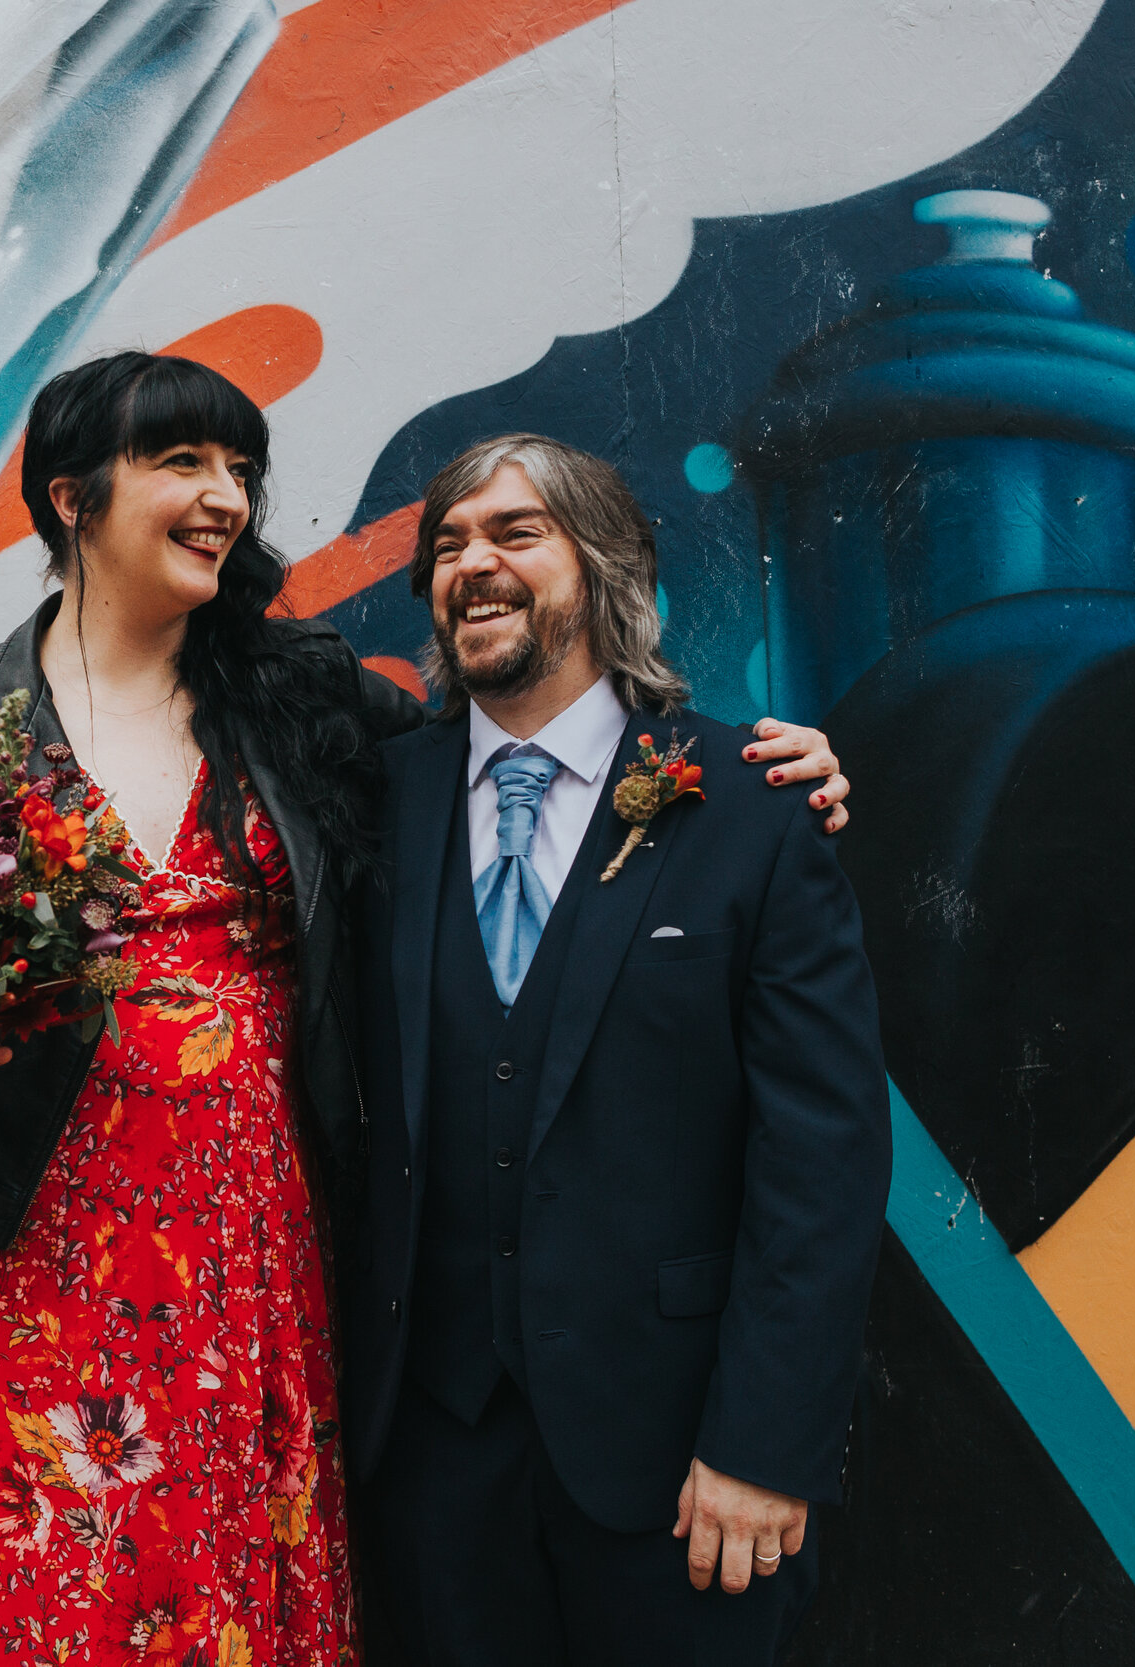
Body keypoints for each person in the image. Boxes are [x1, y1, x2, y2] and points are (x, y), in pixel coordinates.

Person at [0, 356, 851, 1664]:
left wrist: (746, 762)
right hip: (0, 1253)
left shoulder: (302, 695)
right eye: (184, 463)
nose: (225, 496)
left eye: (239, 468)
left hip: (232, 1268)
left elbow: (529, 746)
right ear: (74, 497)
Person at [344, 434, 892, 1667]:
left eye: (515, 531)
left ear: (603, 566)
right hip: (432, 1466)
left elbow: (825, 1155)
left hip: (685, 1475)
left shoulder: (751, 802)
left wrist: (765, 1442)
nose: (472, 562)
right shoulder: (367, 802)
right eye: (448, 543)